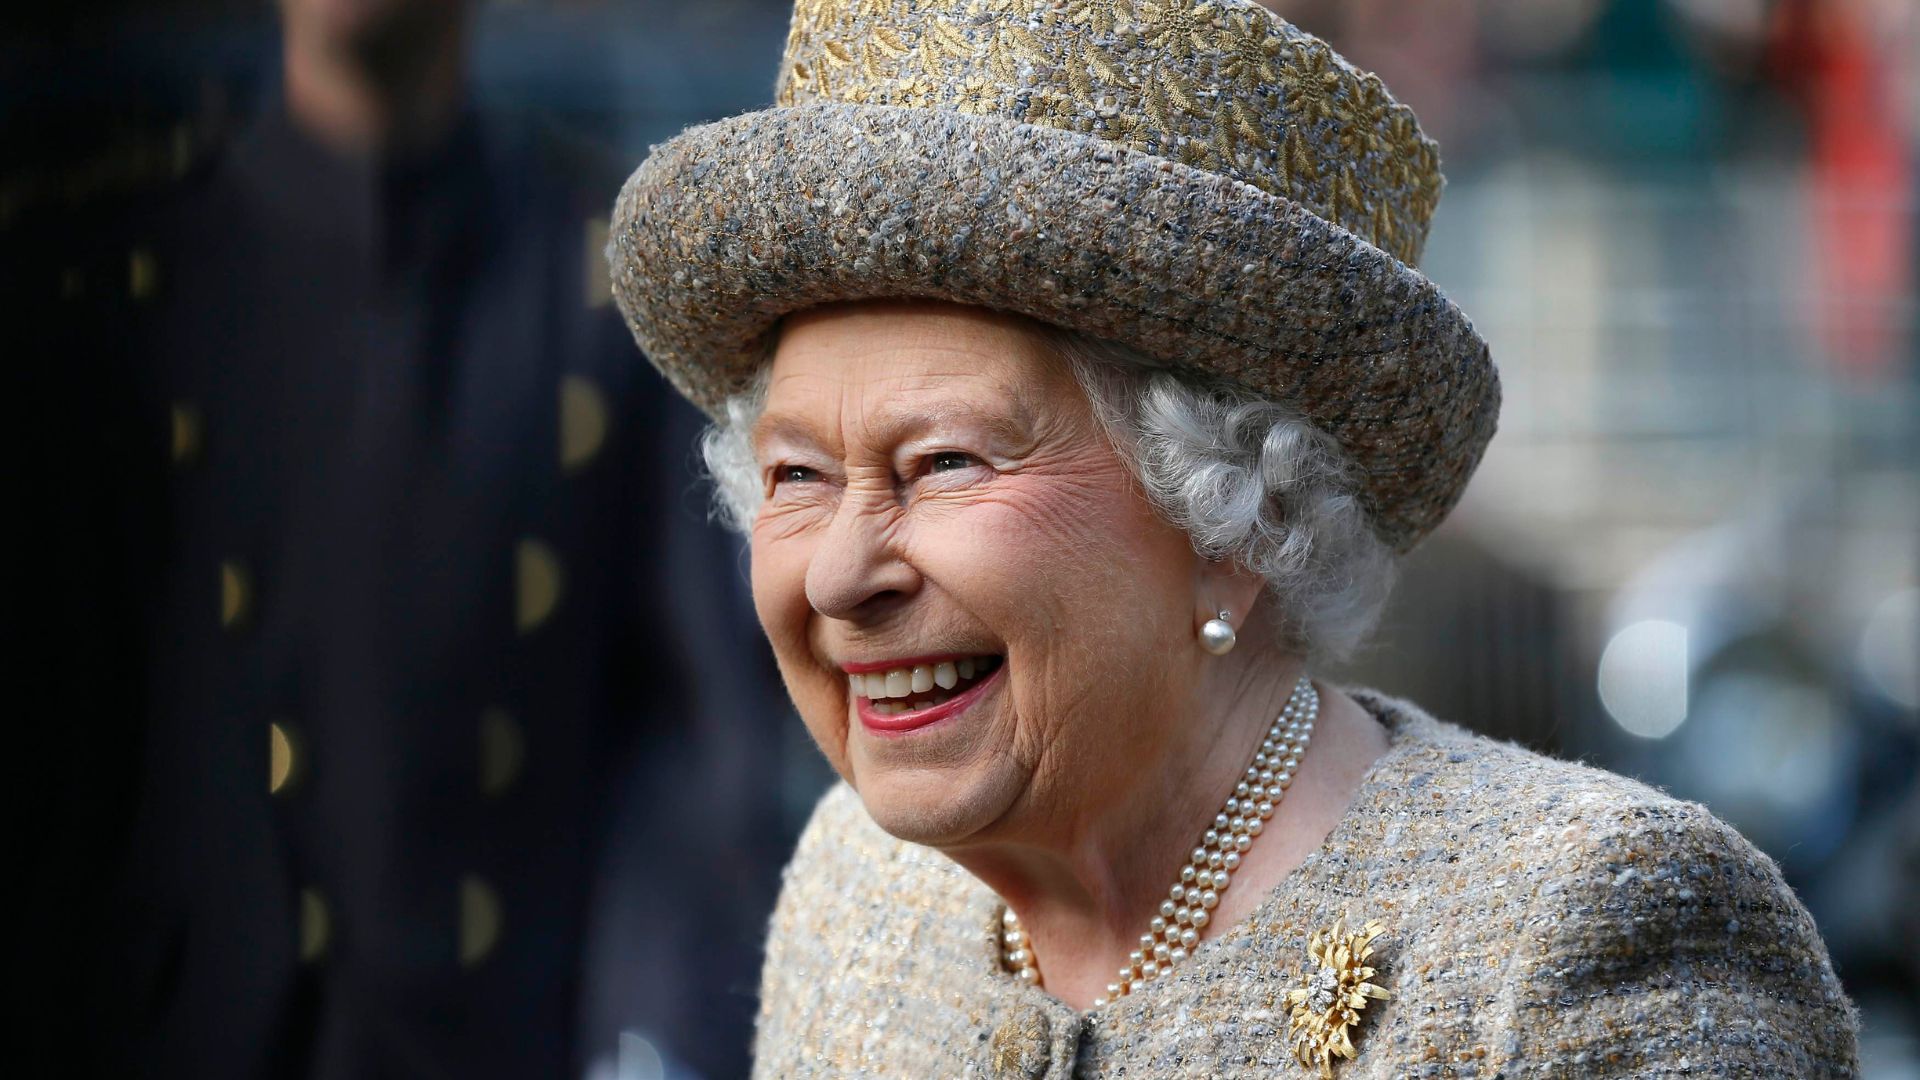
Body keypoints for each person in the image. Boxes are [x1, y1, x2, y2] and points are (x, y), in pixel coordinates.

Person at [602, 0, 1862, 1075]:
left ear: (1234, 518)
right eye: (798, 475)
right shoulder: (859, 898)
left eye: (942, 464)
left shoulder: (1576, 944)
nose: (838, 572)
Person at [11, 0, 791, 1075]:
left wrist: (647, 1044)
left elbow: (706, 758)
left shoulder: (607, 302)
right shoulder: (109, 295)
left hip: (506, 1042)